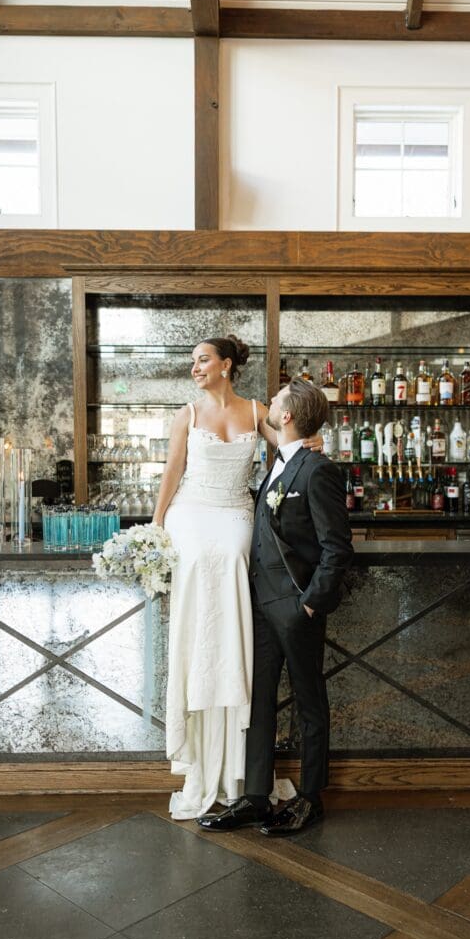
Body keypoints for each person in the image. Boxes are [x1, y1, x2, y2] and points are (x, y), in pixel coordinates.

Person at [152, 335, 320, 820]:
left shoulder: (256, 411)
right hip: (192, 511)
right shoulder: (186, 414)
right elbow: (172, 472)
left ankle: (239, 750)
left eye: (202, 360)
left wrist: (313, 440)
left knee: (232, 559)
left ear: (226, 365)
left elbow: (289, 440)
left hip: (236, 514)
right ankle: (199, 715)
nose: (194, 368)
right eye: (192, 361)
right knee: (205, 564)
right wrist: (158, 526)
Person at [197, 378, 353, 836]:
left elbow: (336, 549)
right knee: (259, 702)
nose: (271, 400)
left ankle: (310, 798)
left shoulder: (316, 470)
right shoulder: (281, 463)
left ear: (286, 415)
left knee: (309, 703)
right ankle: (256, 798)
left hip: (296, 608)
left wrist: (310, 605)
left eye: (279, 398)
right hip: (261, 606)